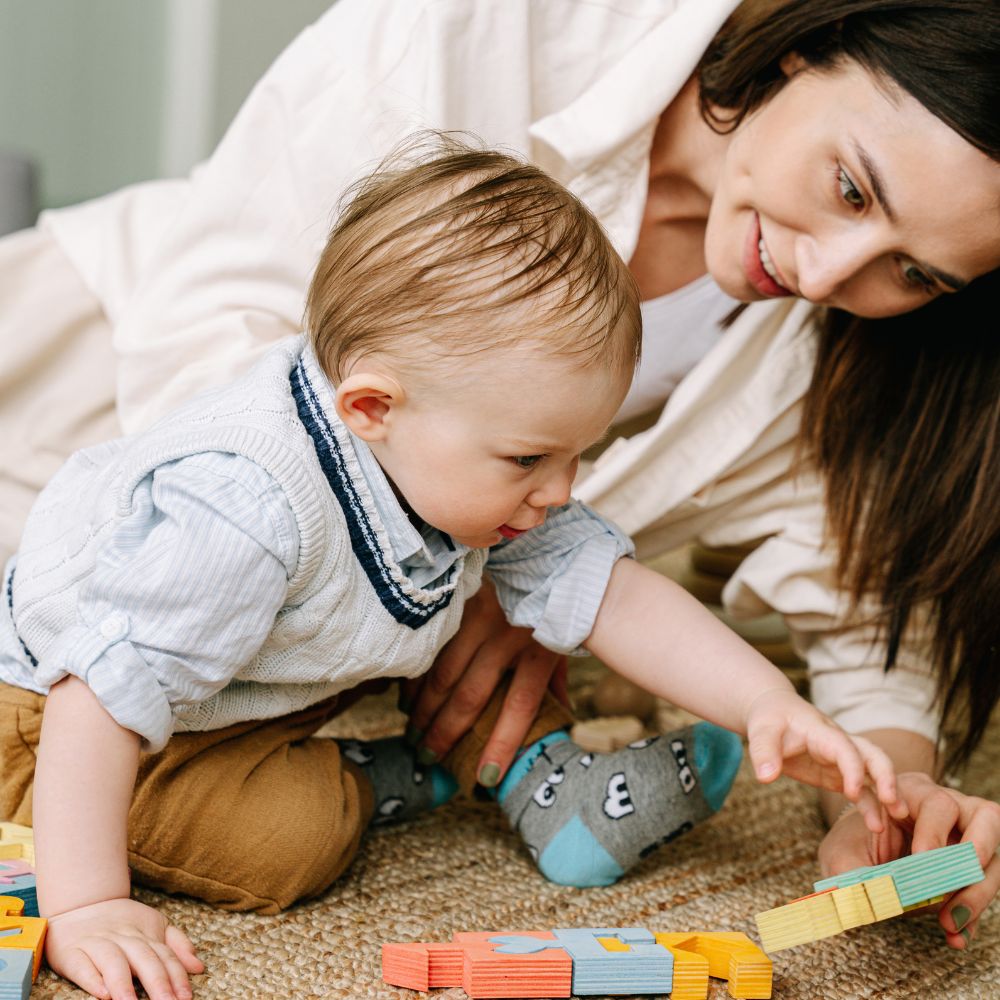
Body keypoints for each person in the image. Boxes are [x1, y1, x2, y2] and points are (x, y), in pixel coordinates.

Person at [0, 0, 997, 951]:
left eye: (916, 273)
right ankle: (384, 774)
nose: (828, 276)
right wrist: (88, 907)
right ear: (805, 44)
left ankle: (500, 777)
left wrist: (808, 737)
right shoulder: (247, 498)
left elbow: (629, 593)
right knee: (279, 837)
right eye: (851, 189)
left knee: (516, 612)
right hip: (73, 552)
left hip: (289, 663)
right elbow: (108, 680)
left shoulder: (527, 476)